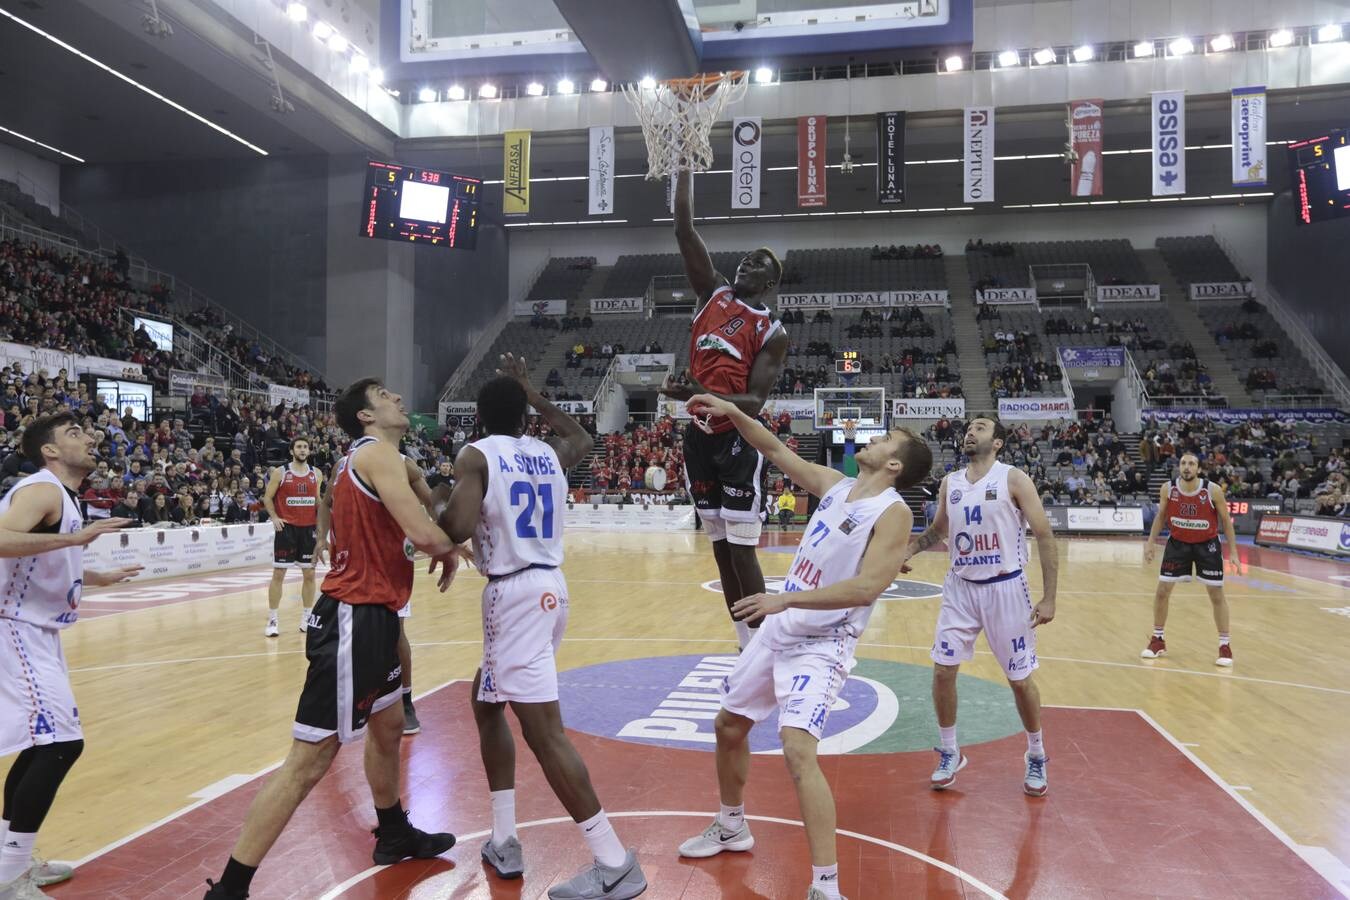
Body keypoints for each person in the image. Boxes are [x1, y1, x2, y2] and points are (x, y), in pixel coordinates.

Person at [204, 380, 463, 900]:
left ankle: (392, 833)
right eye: (385, 395)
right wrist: (455, 546)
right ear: (365, 416)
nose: (396, 399)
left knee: (389, 723)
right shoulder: (377, 457)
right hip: (354, 618)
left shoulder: (361, 459)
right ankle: (230, 890)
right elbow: (428, 534)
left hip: (374, 614)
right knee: (308, 761)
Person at [674, 393, 929, 900]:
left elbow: (865, 589)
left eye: (883, 439)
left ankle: (825, 886)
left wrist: (784, 598)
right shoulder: (837, 487)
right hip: (783, 626)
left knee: (797, 750)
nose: (872, 439)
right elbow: (772, 449)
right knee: (728, 724)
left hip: (825, 641)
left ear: (894, 463)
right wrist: (735, 413)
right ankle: (731, 826)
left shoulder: (892, 512)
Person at [438, 354, 647, 899]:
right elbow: (581, 433)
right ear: (524, 415)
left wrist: (436, 497)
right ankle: (504, 837)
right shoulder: (549, 453)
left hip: (514, 596)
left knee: (544, 732)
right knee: (485, 704)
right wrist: (535, 394)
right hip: (551, 587)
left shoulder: (476, 454)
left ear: (479, 418)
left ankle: (613, 859)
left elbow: (456, 525)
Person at [0, 413, 141, 898]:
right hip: (15, 628)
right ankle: (8, 875)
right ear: (50, 451)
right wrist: (76, 538)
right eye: (74, 433)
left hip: (34, 631)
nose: (90, 437)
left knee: (43, 744)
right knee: (62, 744)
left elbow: (49, 557)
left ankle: (8, 860)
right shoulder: (40, 489)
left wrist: (99, 575)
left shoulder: (61, 497)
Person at [660, 168, 790, 650]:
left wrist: (703, 392)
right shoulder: (710, 292)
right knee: (718, 549)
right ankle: (743, 641)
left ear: (771, 282)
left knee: (741, 552)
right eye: (745, 257)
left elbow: (754, 403)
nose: (745, 263)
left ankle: (764, 645)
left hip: (738, 440)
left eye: (757, 263)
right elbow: (684, 229)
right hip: (698, 437)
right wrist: (684, 172)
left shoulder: (771, 330)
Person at [901, 416, 1059, 796]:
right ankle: (950, 751)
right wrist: (908, 549)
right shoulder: (949, 483)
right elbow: (939, 531)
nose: (971, 432)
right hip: (960, 589)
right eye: (969, 427)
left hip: (1006, 588)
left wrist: (1050, 596)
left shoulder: (1013, 479)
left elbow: (1044, 534)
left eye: (981, 427)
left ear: (998, 442)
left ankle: (1036, 754)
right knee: (942, 672)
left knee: (1020, 682)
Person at [1140, 452, 1239, 666]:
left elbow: (1226, 521)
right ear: (1179, 467)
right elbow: (1161, 516)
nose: (1187, 467)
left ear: (1199, 469)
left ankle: (1225, 645)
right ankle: (1158, 639)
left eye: (1191, 464)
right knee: (1162, 591)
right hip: (1178, 544)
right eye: (1183, 463)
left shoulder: (1212, 490)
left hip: (1207, 545)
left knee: (1216, 594)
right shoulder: (1168, 488)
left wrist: (1234, 553)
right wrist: (1150, 543)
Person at [262, 438, 323, 637]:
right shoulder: (281, 472)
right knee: (279, 574)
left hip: (308, 530)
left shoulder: (317, 473)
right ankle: (272, 619)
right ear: (291, 451)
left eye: (305, 447)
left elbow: (317, 501)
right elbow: (267, 497)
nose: (302, 450)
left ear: (309, 451)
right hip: (287, 530)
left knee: (310, 575)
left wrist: (324, 523)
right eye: (299, 446)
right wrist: (274, 517)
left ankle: (306, 617)